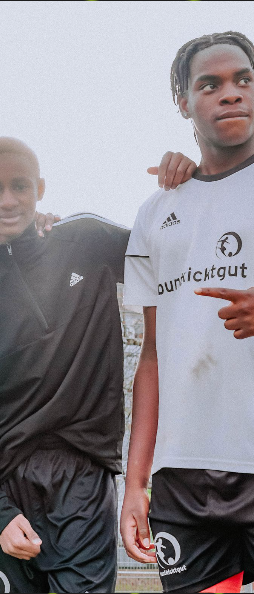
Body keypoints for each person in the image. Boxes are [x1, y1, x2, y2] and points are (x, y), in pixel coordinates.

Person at [0, 136, 196, 593]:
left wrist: (190, 186)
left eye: (20, 186)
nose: (8, 200)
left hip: (84, 477)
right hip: (8, 480)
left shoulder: (84, 239)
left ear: (40, 188)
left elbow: (174, 258)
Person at [120, 31, 254, 594]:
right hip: (183, 475)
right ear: (183, 103)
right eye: (210, 84)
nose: (231, 94)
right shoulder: (156, 212)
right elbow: (152, 357)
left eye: (243, 80)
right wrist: (136, 482)